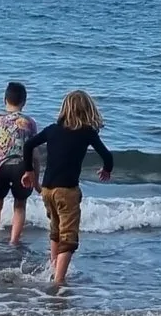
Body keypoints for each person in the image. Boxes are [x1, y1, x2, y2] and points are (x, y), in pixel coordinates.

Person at [21, 90, 114, 286]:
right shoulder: (87, 132)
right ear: (88, 111)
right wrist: (106, 169)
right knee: (69, 238)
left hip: (47, 190)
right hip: (67, 191)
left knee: (55, 231)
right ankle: (59, 280)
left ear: (64, 109)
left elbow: (28, 145)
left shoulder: (52, 129)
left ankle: (53, 269)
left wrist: (29, 171)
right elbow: (107, 156)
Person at [0, 81, 40, 246]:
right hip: (21, 167)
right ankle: (14, 240)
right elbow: (35, 155)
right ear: (24, 102)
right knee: (20, 204)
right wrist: (36, 180)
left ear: (5, 99)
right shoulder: (30, 123)